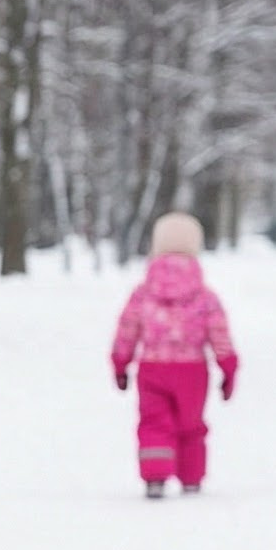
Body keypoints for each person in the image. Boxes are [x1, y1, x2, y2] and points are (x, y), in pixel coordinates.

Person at [110, 211, 239, 497]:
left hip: (152, 369)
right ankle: (191, 478)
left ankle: (155, 477)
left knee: (154, 421)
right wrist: (228, 367)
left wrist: (120, 362)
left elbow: (127, 329)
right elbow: (219, 334)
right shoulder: (205, 297)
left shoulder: (143, 294)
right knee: (191, 425)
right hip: (192, 371)